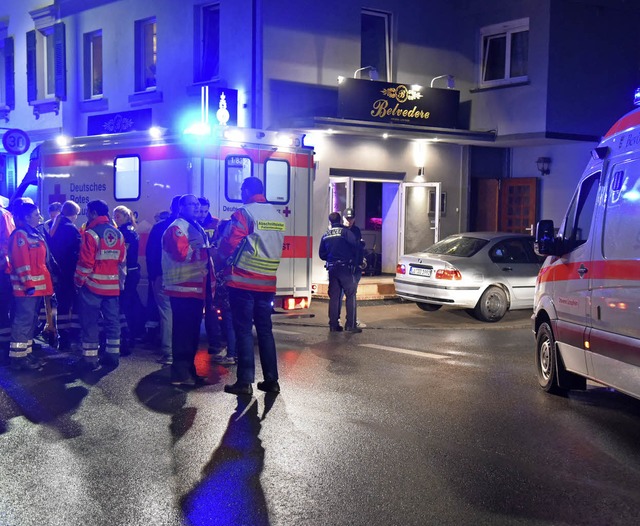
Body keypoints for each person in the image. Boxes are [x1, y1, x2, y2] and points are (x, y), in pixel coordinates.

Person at [217, 177, 285, 395]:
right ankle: (271, 380)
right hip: (267, 283)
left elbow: (229, 243)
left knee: (244, 331)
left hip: (243, 281)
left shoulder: (245, 213)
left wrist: (222, 257)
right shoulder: (276, 215)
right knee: (265, 332)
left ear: (246, 190)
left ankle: (244, 382)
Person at [162, 194, 213, 386]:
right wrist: (207, 251)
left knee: (192, 333)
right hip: (182, 287)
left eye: (197, 205)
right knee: (183, 333)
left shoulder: (194, 226)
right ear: (180, 207)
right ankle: (180, 374)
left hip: (194, 287)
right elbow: (180, 254)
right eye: (191, 204)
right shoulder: (177, 228)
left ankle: (189, 371)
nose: (196, 208)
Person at [74, 200, 126, 371]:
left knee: (90, 321)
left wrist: (79, 281)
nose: (87, 215)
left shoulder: (90, 234)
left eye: (88, 212)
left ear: (94, 213)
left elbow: (86, 263)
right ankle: (112, 356)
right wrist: (120, 283)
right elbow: (121, 262)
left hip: (92, 286)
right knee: (112, 321)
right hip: (112, 287)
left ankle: (90, 359)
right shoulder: (118, 234)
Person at [6, 202, 53, 371]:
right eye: (36, 215)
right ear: (26, 217)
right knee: (23, 321)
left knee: (31, 320)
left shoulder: (33, 233)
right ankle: (18, 358)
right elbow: (21, 263)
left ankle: (26, 352)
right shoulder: (20, 235)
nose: (40, 217)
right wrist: (28, 284)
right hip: (27, 288)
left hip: (37, 287)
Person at [146, 195, 180, 365]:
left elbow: (151, 253)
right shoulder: (191, 227)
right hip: (187, 279)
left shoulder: (160, 227)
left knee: (166, 313)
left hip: (163, 276)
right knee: (182, 314)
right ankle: (181, 351)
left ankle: (168, 352)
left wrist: (153, 275)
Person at [319, 211, 362, 333]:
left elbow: (321, 254)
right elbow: (357, 246)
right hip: (345, 268)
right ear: (340, 220)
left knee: (334, 297)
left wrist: (331, 257)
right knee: (351, 294)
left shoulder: (326, 235)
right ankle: (351, 325)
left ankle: (333, 325)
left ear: (331, 221)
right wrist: (356, 262)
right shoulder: (345, 233)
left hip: (332, 269)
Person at [49, 200, 82, 351]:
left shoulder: (54, 226)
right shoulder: (71, 228)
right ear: (74, 214)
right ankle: (72, 335)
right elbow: (77, 252)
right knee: (73, 304)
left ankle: (62, 336)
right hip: (69, 272)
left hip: (57, 272)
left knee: (61, 305)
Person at [198, 196, 226, 360]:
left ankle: (215, 343)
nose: (202, 214)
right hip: (197, 271)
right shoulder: (194, 224)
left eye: (205, 210)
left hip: (212, 271)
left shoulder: (215, 223)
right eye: (200, 211)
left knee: (211, 309)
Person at [113, 205, 145, 349]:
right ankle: (138, 329)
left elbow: (122, 254)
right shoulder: (130, 230)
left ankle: (130, 333)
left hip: (128, 272)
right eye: (115, 216)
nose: (115, 219)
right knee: (133, 301)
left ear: (126, 217)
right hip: (132, 271)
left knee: (126, 303)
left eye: (118, 216)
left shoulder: (125, 232)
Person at [339, 207, 366, 328]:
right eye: (347, 218)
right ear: (343, 218)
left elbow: (359, 247)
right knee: (339, 295)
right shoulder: (339, 230)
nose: (349, 221)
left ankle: (352, 320)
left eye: (351, 219)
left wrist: (361, 261)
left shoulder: (356, 230)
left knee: (352, 294)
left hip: (355, 267)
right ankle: (337, 319)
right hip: (342, 268)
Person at [0, 200, 15, 365]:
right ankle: (4, 342)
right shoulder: (4, 215)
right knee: (3, 306)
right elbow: (9, 243)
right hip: (2, 269)